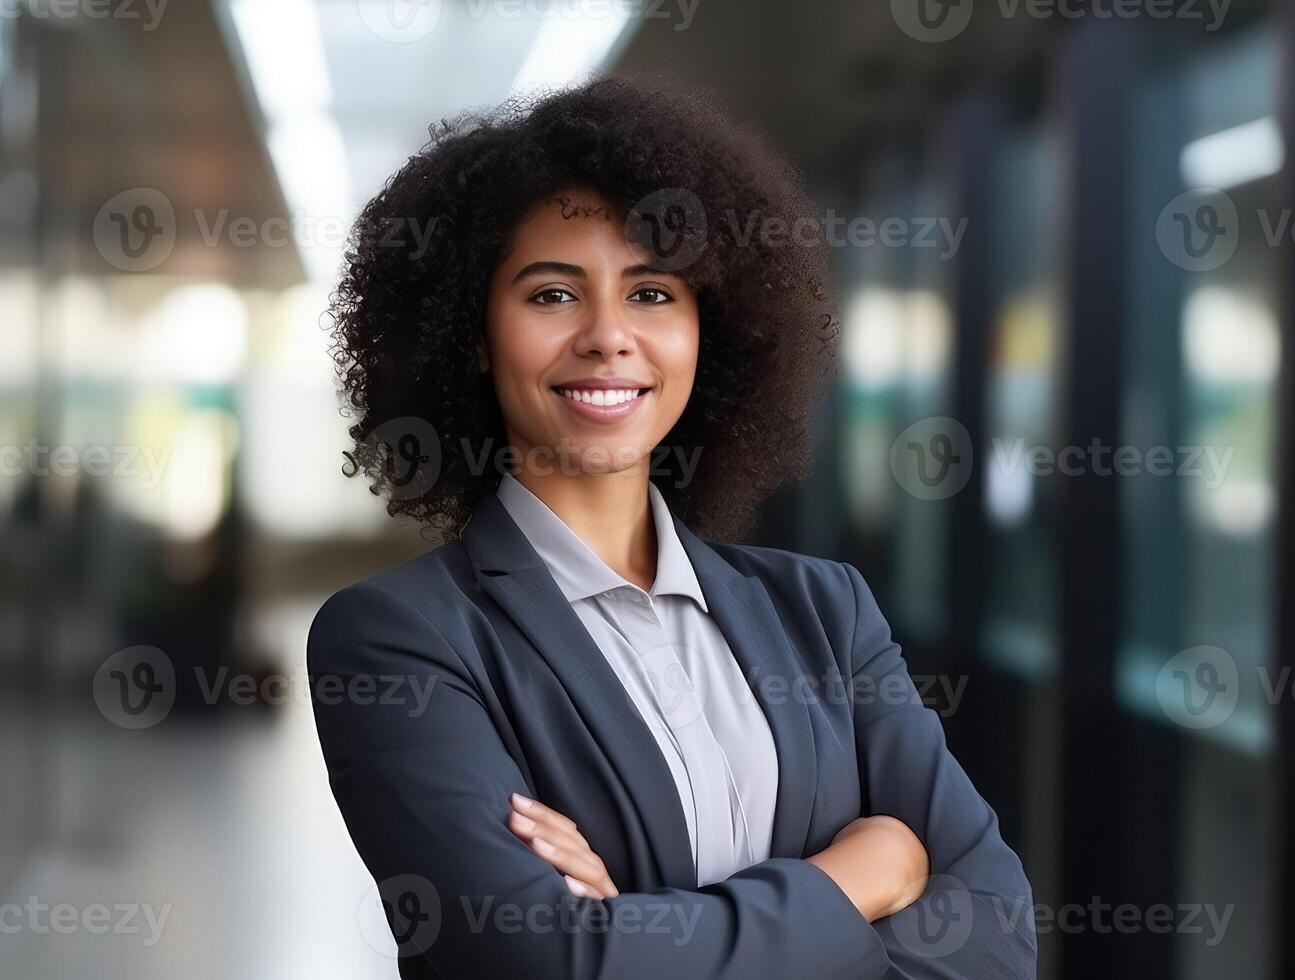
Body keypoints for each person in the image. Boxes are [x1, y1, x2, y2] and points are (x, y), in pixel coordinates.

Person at [308, 76, 1035, 979]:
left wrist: (644, 931)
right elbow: (545, 963)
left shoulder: (823, 611)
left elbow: (997, 932)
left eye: (652, 293)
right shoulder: (402, 641)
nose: (610, 336)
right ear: (473, 336)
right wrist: (867, 874)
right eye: (551, 295)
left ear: (710, 331)